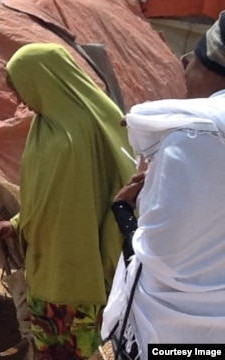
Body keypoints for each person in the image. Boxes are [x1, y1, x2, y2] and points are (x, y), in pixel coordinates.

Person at [0, 43, 136, 359]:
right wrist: (16, 223)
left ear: (42, 78)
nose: (18, 98)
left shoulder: (96, 125)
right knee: (46, 351)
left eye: (19, 87)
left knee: (83, 354)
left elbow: (119, 188)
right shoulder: (42, 128)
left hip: (84, 277)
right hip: (45, 272)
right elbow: (48, 197)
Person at [101, 12, 225, 359]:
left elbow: (162, 259)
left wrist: (125, 213)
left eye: (198, 54)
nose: (185, 60)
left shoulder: (193, 138)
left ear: (216, 68)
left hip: (172, 339)